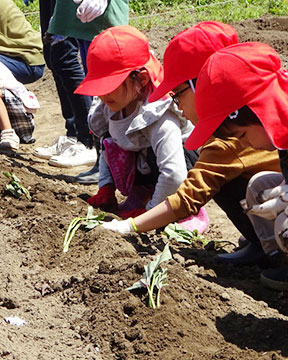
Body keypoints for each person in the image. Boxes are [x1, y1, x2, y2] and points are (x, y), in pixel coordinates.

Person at [101, 24, 280, 267]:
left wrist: (130, 225)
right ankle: (262, 241)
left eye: (178, 93)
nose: (176, 104)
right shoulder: (241, 118)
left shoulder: (231, 134)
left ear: (205, 83)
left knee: (231, 182)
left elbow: (186, 198)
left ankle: (273, 252)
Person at [182, 42, 288, 290]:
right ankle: (280, 262)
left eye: (242, 135)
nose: (246, 144)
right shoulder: (281, 141)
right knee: (261, 186)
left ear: (256, 113)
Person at [75, 25, 197, 221]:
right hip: (148, 167)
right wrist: (106, 186)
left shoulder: (158, 114)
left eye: (109, 86)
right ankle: (143, 192)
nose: (101, 94)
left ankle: (183, 211)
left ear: (141, 78)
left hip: (182, 174)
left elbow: (174, 173)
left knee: (169, 161)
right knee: (110, 139)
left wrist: (149, 213)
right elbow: (109, 146)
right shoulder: (112, 103)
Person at [33, 0, 128, 179]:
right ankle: (103, 159)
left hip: (97, 12)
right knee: (93, 76)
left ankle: (106, 155)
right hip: (75, 9)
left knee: (106, 79)